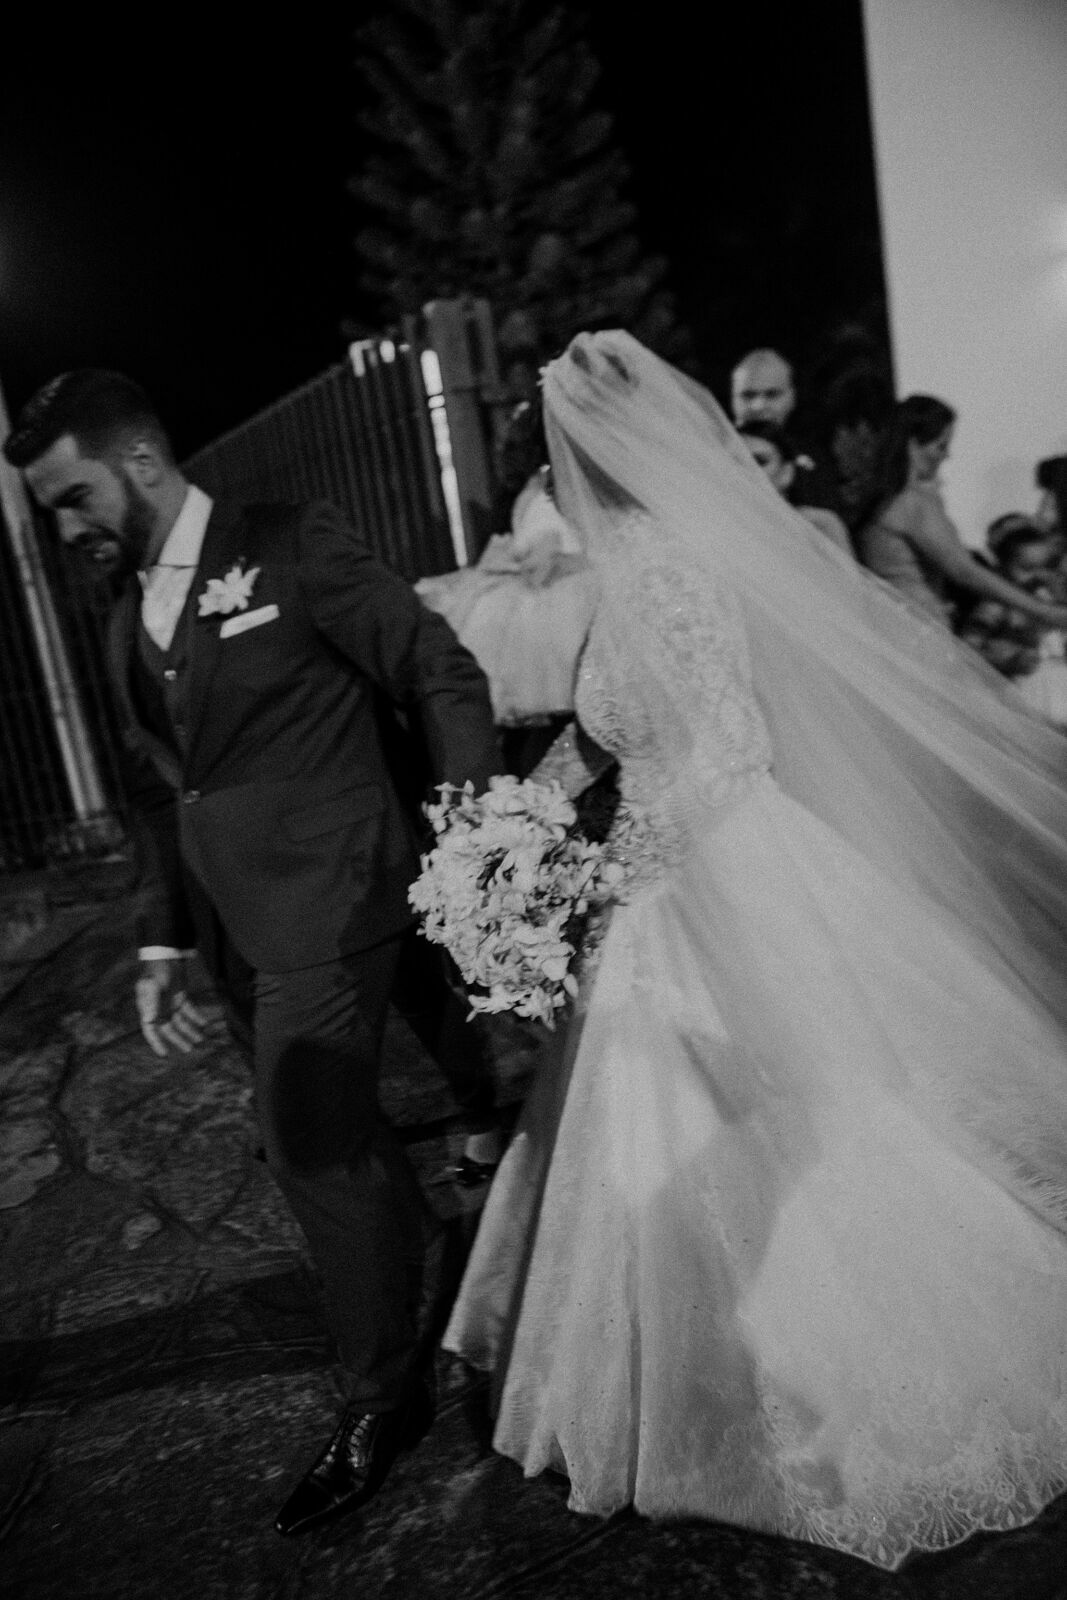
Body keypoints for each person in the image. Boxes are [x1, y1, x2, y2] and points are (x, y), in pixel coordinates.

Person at [443, 331, 1067, 1572]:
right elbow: (598, 729)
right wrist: (512, 828)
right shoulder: (634, 566)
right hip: (673, 863)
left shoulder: (661, 566)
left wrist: (621, 862)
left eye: (560, 451)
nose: (554, 472)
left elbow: (721, 743)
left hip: (712, 871)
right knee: (669, 1124)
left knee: (783, 1116)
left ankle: (803, 1379)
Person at [3, 369, 503, 1537]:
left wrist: (477, 826)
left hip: (338, 890)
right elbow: (167, 789)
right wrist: (164, 939)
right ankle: (469, 1175)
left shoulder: (284, 544)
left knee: (310, 1143)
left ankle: (383, 1397)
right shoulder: (125, 612)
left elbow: (434, 668)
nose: (65, 527)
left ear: (135, 463)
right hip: (233, 926)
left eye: (71, 496)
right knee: (380, 1122)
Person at [416, 396, 596, 770]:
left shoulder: (533, 485)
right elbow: (546, 550)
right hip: (556, 601)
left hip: (539, 601)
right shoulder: (550, 486)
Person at [857, 396, 1067, 632]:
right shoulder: (912, 502)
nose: (946, 456)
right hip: (918, 631)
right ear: (913, 444)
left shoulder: (884, 501)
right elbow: (965, 571)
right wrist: (1045, 612)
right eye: (941, 446)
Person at [736, 419, 853, 553]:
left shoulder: (820, 525)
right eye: (736, 459)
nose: (746, 468)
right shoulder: (719, 523)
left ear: (786, 472)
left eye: (759, 461)